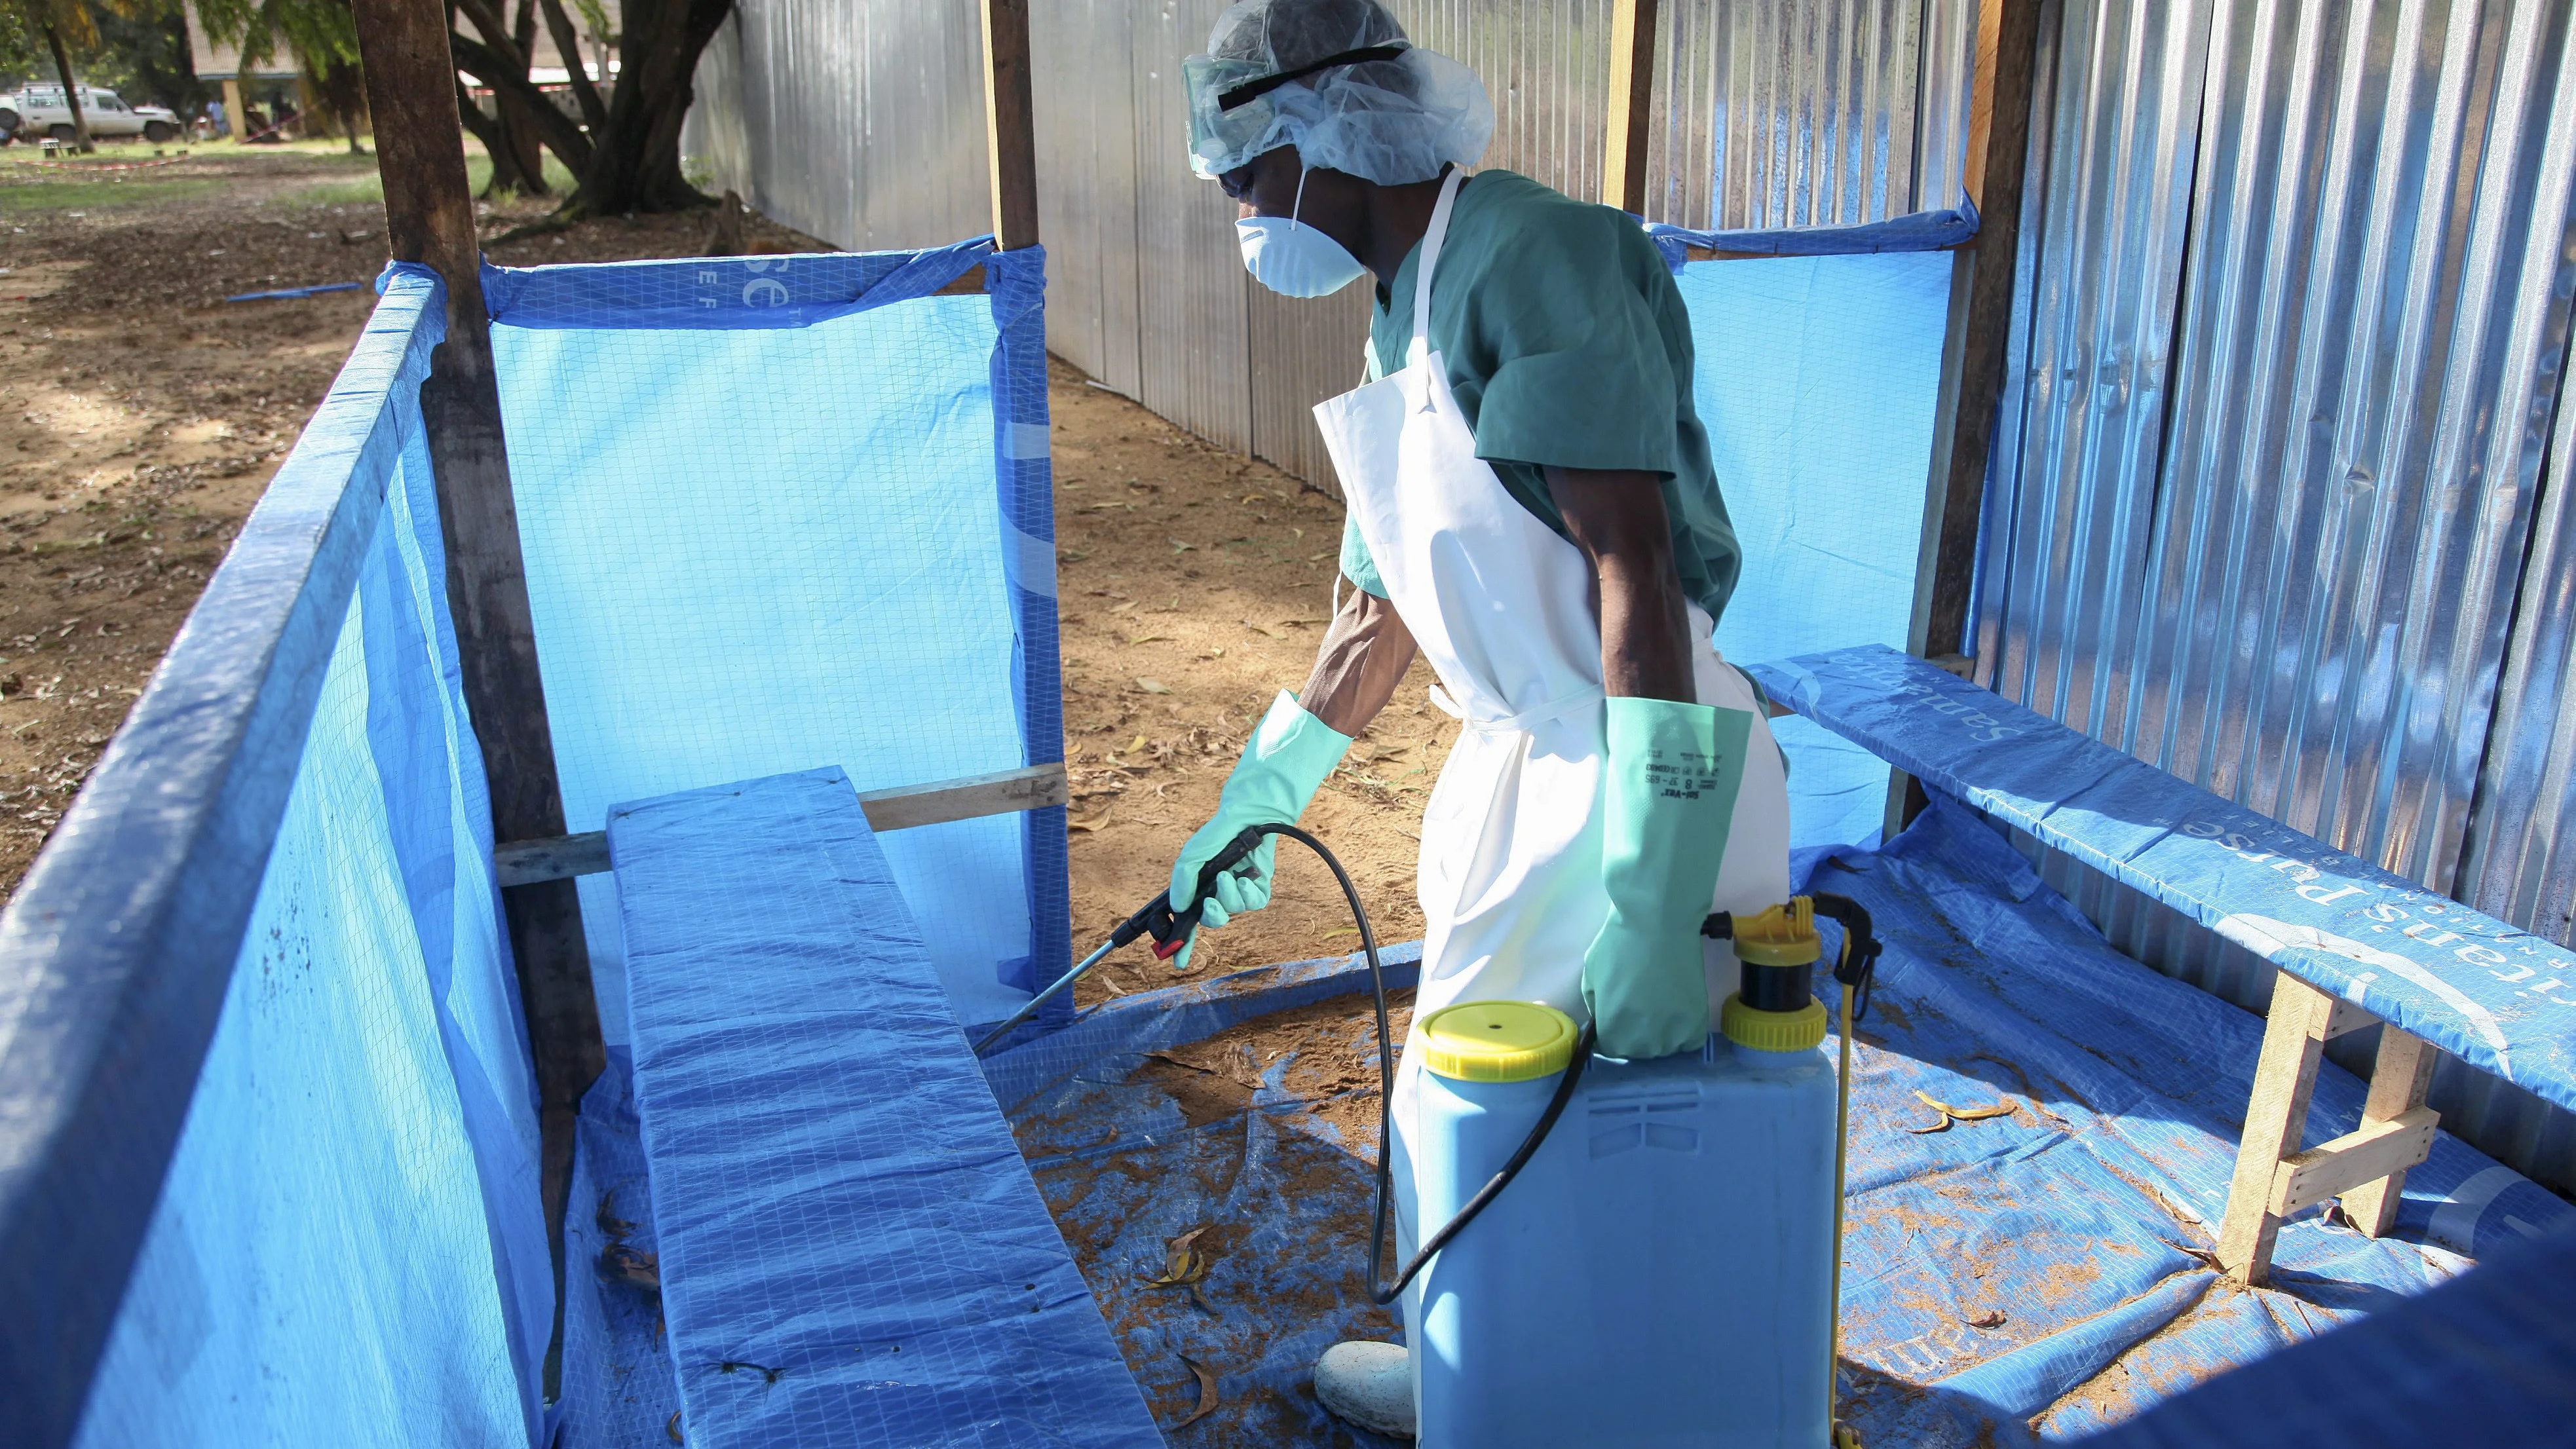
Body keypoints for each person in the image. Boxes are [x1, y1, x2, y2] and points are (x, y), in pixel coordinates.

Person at [1165, 0, 1791, 1437]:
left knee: (1606, 1128)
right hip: (1527, 767)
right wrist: (1257, 802)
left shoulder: (1535, 255)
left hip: (1645, 762)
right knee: (1482, 1111)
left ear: (1329, 129)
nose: (1238, 207)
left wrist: (1653, 884)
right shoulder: (1404, 310)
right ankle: (1501, 1371)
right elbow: (1371, 621)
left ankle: (1580, 1391)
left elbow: (1628, 566)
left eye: (1245, 173)